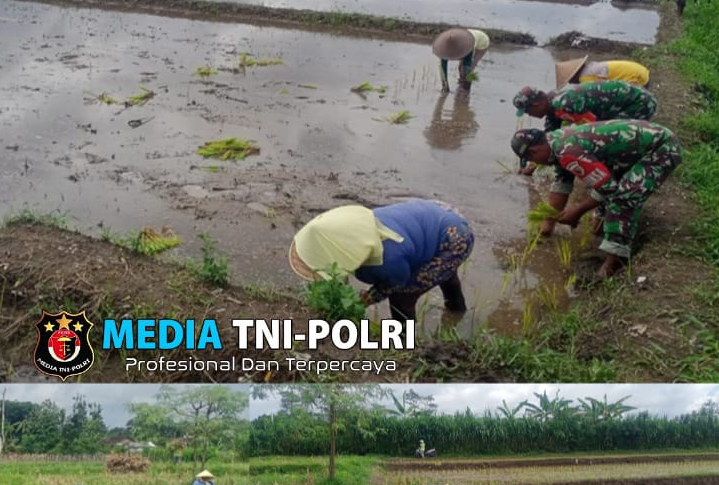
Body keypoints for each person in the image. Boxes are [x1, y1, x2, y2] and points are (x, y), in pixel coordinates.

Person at [510, 121, 682, 278]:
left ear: (534, 151)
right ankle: (604, 238)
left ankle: (615, 262)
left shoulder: (568, 152)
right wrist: (548, 224)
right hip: (631, 152)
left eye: (532, 160)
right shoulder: (555, 141)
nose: (535, 163)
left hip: (661, 148)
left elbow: (608, 189)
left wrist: (577, 212)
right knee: (603, 204)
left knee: (622, 198)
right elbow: (562, 184)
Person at [288, 201, 474, 323]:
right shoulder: (355, 230)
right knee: (444, 274)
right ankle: (457, 314)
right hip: (436, 212)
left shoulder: (386, 260)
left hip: (455, 239)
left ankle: (403, 344)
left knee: (402, 297)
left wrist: (369, 298)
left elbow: (398, 281)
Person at [513, 82, 657, 134]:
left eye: (527, 111)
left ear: (537, 104)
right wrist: (533, 162)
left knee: (614, 135)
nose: (529, 115)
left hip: (639, 103)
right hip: (623, 104)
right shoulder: (552, 105)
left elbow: (593, 129)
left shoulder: (565, 104)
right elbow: (551, 135)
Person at [432, 28, 490, 92]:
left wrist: (466, 87)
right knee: (460, 68)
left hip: (482, 42)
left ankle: (465, 87)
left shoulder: (466, 46)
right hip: (469, 37)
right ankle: (462, 81)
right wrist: (445, 86)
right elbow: (443, 69)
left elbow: (467, 65)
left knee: (469, 67)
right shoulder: (444, 50)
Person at [555, 57, 650, 89]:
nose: (571, 84)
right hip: (641, 71)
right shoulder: (591, 67)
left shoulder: (585, 78)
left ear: (574, 76)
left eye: (570, 80)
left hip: (637, 78)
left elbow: (594, 95)